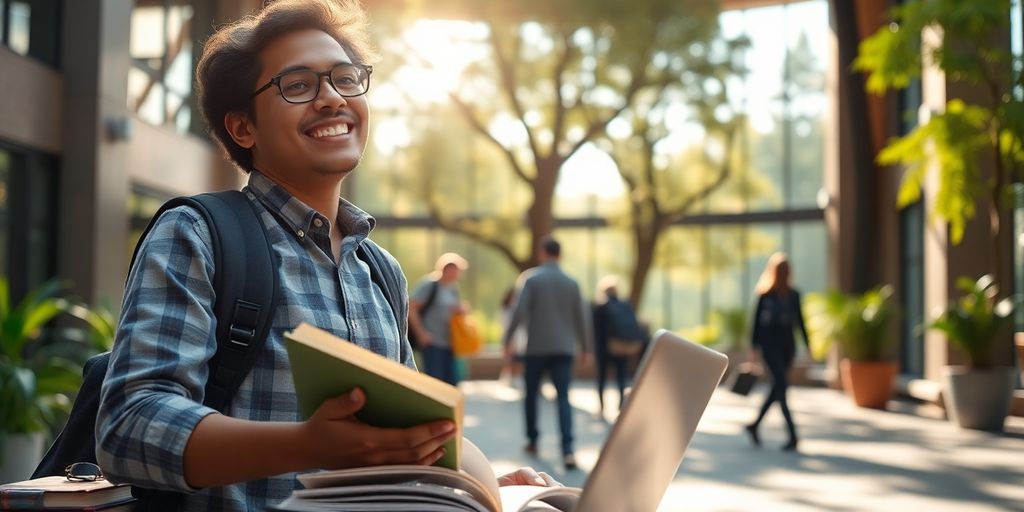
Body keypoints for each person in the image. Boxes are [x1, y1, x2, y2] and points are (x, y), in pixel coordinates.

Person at [95, 2, 553, 509]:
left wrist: (483, 487)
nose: (332, 98)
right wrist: (306, 444)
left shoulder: (379, 270)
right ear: (243, 128)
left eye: (345, 78)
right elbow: (129, 427)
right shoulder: (197, 235)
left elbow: (409, 437)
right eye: (297, 85)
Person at [502, 236, 591, 470]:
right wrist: (586, 348)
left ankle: (533, 440)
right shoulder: (572, 283)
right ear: (560, 255)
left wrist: (508, 339)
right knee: (563, 398)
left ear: (542, 253)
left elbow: (519, 312)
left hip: (537, 347)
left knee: (531, 395)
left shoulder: (531, 279)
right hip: (563, 348)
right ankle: (568, 449)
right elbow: (581, 318)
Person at [744, 252, 810, 452]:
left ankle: (754, 426)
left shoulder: (794, 295)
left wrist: (808, 345)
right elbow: (755, 325)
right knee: (781, 386)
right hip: (769, 347)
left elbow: (800, 321)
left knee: (777, 389)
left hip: (787, 348)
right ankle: (793, 435)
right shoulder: (765, 295)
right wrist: (754, 350)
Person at [409, 252, 469, 385]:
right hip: (433, 342)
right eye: (455, 270)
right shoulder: (429, 285)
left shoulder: (453, 289)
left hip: (451, 343)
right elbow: (411, 308)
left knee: (452, 382)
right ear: (446, 269)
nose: (457, 274)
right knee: (435, 382)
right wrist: (421, 333)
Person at [591, 275, 641, 418]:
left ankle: (601, 407)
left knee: (601, 377)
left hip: (603, 348)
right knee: (621, 376)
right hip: (622, 347)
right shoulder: (626, 305)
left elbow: (594, 329)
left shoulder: (600, 307)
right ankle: (621, 405)